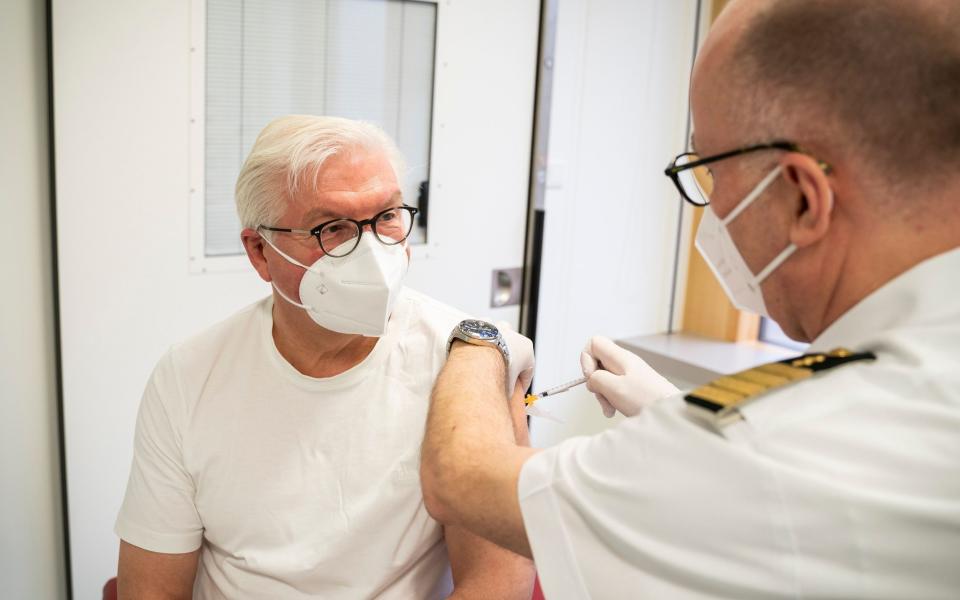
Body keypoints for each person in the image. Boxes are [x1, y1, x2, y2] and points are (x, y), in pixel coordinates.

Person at [420, 0, 960, 597]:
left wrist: (479, 339)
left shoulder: (782, 442)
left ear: (804, 198)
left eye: (712, 172)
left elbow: (460, 479)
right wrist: (669, 409)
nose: (710, 205)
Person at [115, 115, 534, 599]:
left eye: (388, 217)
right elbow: (151, 589)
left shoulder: (466, 366)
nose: (372, 252)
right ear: (259, 251)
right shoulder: (189, 377)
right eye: (331, 227)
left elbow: (496, 581)